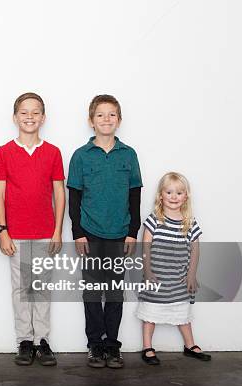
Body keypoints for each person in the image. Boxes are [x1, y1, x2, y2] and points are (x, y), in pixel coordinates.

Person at [67, 94, 142, 369]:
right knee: (92, 290)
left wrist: (132, 231)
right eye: (100, 115)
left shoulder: (129, 154)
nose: (106, 119)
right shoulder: (80, 156)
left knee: (114, 292)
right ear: (91, 121)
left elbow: (135, 196)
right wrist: (78, 232)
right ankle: (95, 345)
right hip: (90, 232)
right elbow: (74, 197)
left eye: (112, 115)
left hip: (119, 233)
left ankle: (112, 345)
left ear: (119, 121)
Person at [0, 93, 65, 366]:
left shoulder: (53, 152)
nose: (30, 117)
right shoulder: (5, 152)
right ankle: (24, 340)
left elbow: (59, 194)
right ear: (15, 117)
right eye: (24, 112)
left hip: (46, 232)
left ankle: (42, 341)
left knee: (42, 288)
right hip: (17, 233)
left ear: (43, 118)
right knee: (22, 289)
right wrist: (3, 231)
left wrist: (58, 230)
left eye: (35, 112)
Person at [136, 172, 211, 364]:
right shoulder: (155, 219)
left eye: (179, 193)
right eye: (169, 192)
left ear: (186, 196)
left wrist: (191, 275)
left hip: (179, 278)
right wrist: (148, 271)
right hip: (157, 278)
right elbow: (145, 246)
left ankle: (190, 345)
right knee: (150, 313)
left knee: (182, 313)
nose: (174, 196)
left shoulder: (190, 223)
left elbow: (195, 249)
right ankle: (147, 346)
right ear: (161, 195)